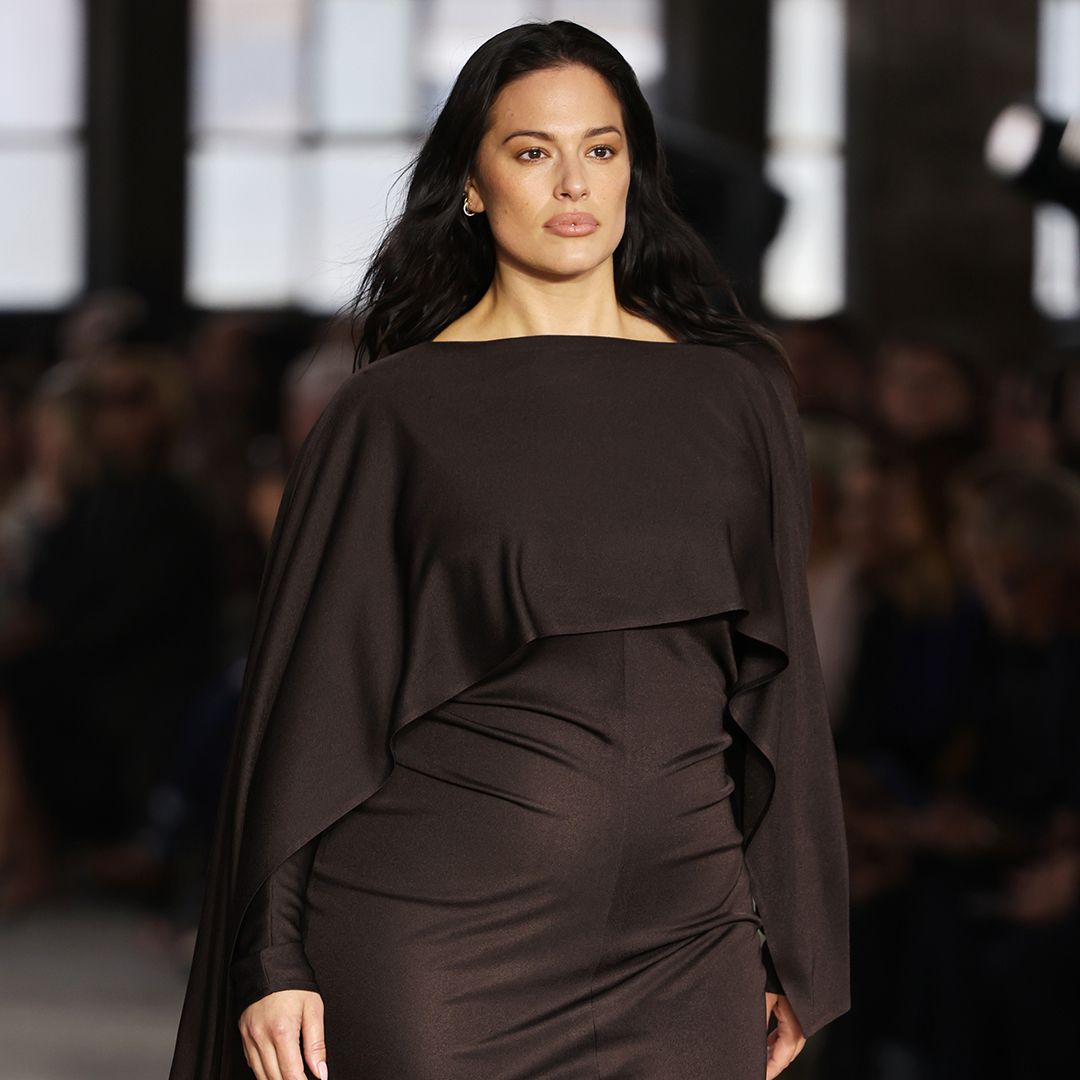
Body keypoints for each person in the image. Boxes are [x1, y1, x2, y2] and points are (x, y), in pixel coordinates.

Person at [168, 20, 850, 1080]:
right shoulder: (393, 412)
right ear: (474, 184)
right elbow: (313, 699)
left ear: (637, 171)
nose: (574, 183)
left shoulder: (737, 393)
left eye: (603, 148)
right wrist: (276, 954)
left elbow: (780, 688)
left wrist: (798, 939)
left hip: (688, 938)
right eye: (533, 152)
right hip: (436, 943)